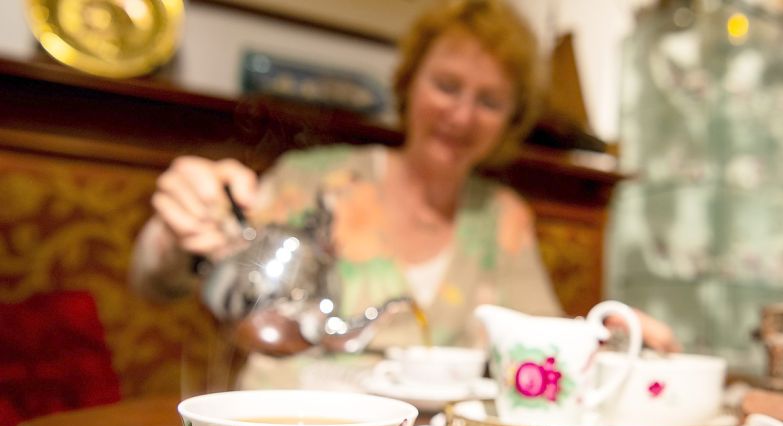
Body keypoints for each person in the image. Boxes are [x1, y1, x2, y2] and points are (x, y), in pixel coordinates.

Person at [130, 0, 679, 389]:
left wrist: (603, 335)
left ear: (511, 121)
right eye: (446, 86)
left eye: (489, 101)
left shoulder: (503, 217)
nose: (461, 115)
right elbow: (163, 283)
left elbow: (534, 342)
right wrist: (175, 230)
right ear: (409, 83)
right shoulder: (313, 181)